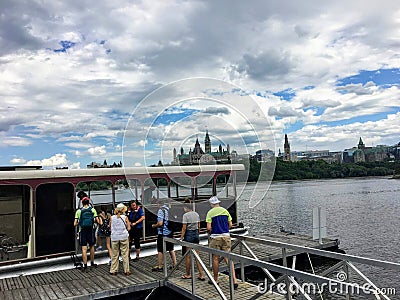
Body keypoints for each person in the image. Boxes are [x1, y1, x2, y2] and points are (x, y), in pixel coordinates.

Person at [206, 196, 238, 289]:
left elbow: (208, 228)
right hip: (226, 236)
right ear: (218, 203)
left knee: (215, 258)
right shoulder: (225, 211)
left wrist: (212, 230)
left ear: (211, 204)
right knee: (228, 258)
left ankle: (215, 280)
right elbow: (230, 225)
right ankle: (234, 280)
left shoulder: (210, 212)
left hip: (215, 237)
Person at [74, 197, 102, 271]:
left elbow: (75, 223)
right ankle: (92, 263)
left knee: (84, 248)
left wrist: (80, 222)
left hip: (82, 230)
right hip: (91, 230)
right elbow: (97, 221)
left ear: (82, 203)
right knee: (92, 246)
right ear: (88, 202)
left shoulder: (79, 211)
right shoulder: (92, 210)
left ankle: (85, 265)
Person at [180, 199, 205, 280]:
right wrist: (198, 233)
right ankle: (201, 274)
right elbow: (199, 225)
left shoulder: (185, 215)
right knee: (197, 255)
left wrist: (181, 238)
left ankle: (188, 274)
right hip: (196, 234)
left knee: (188, 256)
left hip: (189, 235)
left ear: (186, 207)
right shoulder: (196, 214)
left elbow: (184, 228)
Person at [151, 199, 176, 271]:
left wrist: (154, 226)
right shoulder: (168, 209)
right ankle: (175, 264)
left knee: (160, 250)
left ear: (158, 204)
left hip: (163, 233)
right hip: (170, 231)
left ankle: (160, 266)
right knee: (171, 249)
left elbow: (160, 223)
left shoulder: (160, 211)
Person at [110, 203, 131, 276]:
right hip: (123, 237)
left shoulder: (112, 217)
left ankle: (113, 270)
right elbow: (129, 228)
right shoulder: (125, 217)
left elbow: (110, 227)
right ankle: (126, 270)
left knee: (115, 254)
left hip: (114, 237)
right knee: (125, 254)